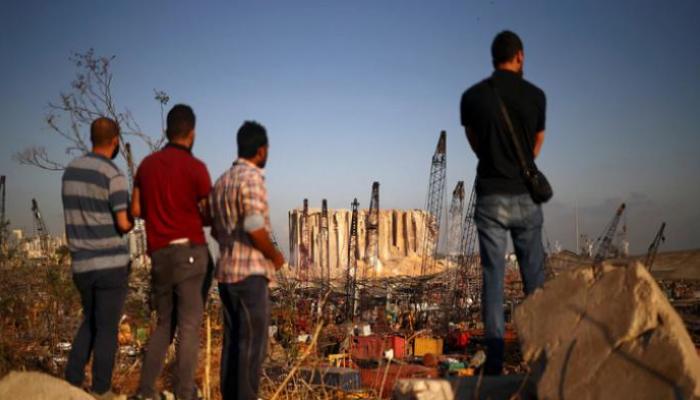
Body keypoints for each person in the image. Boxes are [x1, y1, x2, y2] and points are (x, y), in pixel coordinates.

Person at [460, 30, 547, 375]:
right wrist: (520, 164)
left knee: (493, 279)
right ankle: (541, 359)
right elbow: (537, 143)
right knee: (534, 279)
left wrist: (492, 159)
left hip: (491, 195)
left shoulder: (472, 97)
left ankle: (494, 363)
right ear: (519, 56)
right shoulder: (537, 96)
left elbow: (473, 140)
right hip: (525, 194)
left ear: (493, 57)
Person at [131, 104, 212, 400]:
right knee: (189, 326)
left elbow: (136, 209)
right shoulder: (195, 168)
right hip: (188, 252)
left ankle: (145, 390)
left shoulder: (147, 165)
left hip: (159, 255)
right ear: (192, 134)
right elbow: (209, 213)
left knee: (165, 324)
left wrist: (159, 214)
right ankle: (184, 392)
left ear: (167, 131)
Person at [209, 121, 285, 400]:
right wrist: (274, 255)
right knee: (252, 347)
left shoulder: (222, 181)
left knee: (233, 345)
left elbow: (214, 229)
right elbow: (254, 225)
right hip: (249, 275)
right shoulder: (251, 178)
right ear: (261, 150)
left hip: (226, 276)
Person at [62, 117, 133, 399]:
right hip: (109, 266)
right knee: (106, 329)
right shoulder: (113, 174)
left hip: (82, 265)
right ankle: (101, 390)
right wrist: (134, 215)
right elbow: (123, 223)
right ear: (115, 141)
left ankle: (71, 380)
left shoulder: (71, 172)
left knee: (91, 321)